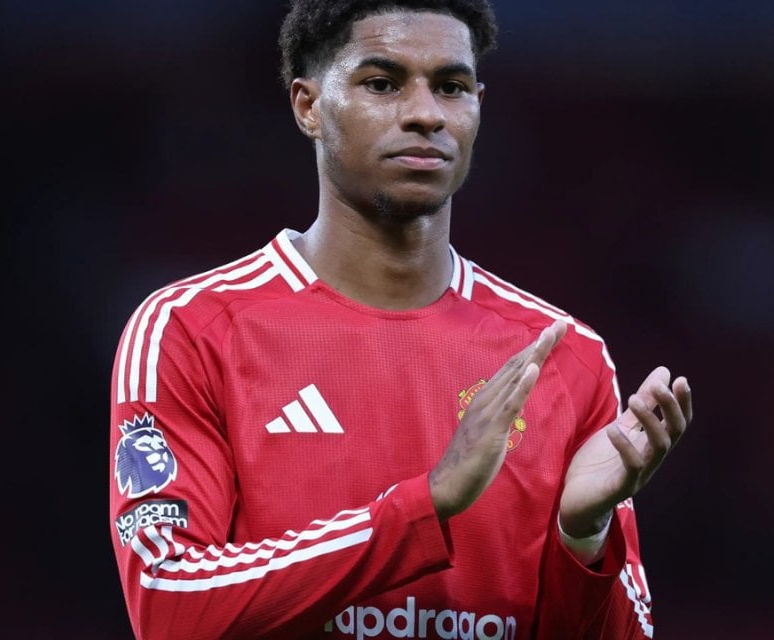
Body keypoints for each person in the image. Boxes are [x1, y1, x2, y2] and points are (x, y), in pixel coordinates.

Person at [108, 1, 692, 638]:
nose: (425, 113)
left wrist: (583, 535)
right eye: (383, 83)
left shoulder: (564, 357)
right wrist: (423, 507)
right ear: (308, 106)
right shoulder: (192, 330)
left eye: (451, 86)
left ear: (477, 107)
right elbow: (167, 605)